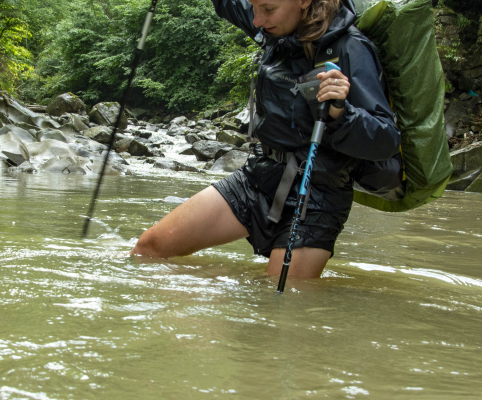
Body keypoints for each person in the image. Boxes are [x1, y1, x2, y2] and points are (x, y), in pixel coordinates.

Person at [131, 0, 402, 279]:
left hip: (317, 194)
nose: (257, 20)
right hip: (260, 176)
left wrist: (340, 113)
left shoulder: (350, 47)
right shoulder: (274, 26)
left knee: (276, 296)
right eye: (254, 6)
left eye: (268, 9)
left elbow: (385, 139)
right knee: (148, 249)